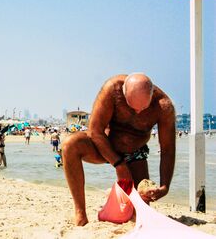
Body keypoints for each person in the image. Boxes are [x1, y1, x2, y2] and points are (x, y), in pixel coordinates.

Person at [62, 73, 176, 226]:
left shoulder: (163, 106)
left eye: (143, 108)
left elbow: (167, 149)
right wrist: (118, 164)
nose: (137, 112)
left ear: (151, 96)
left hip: (136, 152)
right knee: (69, 145)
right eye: (132, 107)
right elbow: (95, 131)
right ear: (123, 92)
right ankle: (80, 213)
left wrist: (165, 186)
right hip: (105, 147)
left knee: (141, 214)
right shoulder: (112, 89)